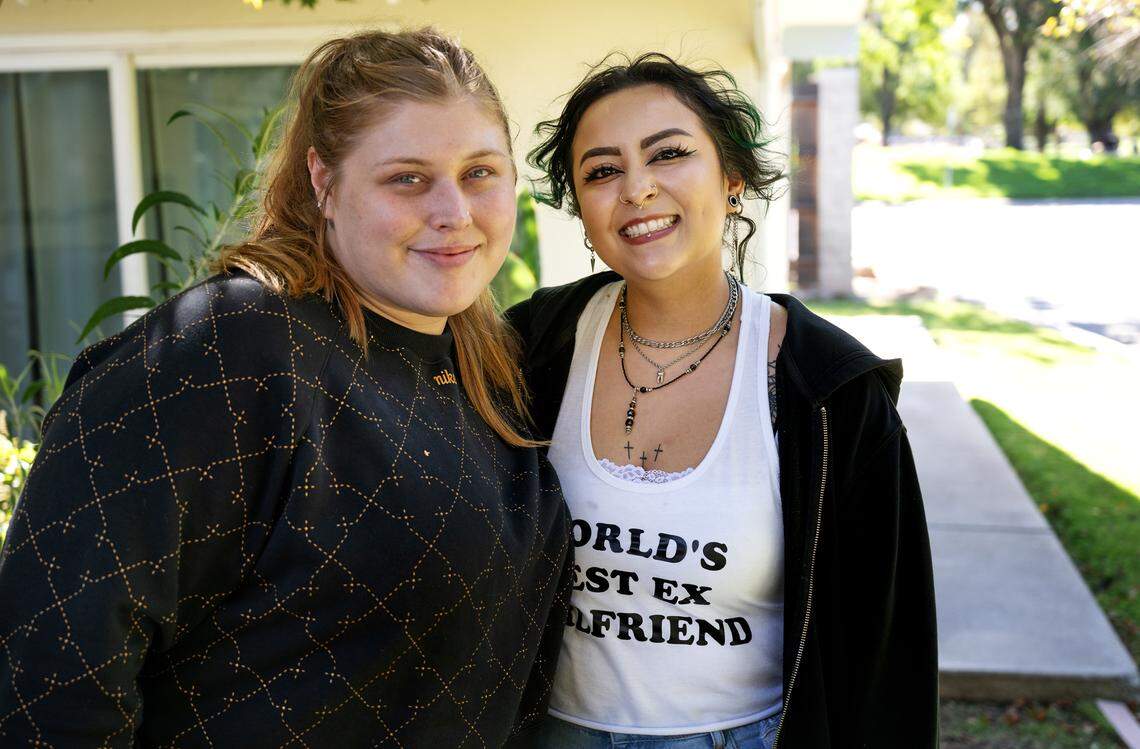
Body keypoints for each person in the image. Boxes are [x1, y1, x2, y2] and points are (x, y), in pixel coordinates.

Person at [0, 29, 570, 747]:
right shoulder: (234, 348)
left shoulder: (493, 368)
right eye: (409, 178)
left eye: (480, 172)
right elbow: (54, 668)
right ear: (323, 182)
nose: (454, 211)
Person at [508, 53, 939, 748]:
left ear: (732, 178)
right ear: (582, 209)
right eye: (602, 170)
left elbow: (886, 648)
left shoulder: (829, 391)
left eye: (668, 154)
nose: (637, 189)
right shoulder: (532, 348)